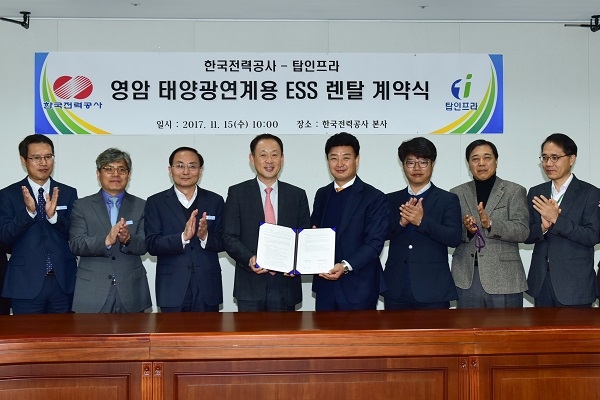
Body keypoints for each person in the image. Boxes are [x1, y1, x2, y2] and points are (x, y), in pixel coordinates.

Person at [223, 134, 310, 312]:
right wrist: (249, 258)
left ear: (282, 159)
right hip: (250, 287)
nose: (269, 160)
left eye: (274, 155)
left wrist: (297, 263)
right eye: (263, 155)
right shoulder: (237, 193)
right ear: (252, 158)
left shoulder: (297, 195)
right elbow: (229, 237)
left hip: (286, 286)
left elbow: (304, 236)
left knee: (286, 331)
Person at [310, 132, 389, 311]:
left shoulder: (373, 197)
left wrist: (345, 266)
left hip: (359, 288)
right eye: (333, 158)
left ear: (357, 160)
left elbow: (374, 243)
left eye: (346, 158)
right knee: (323, 330)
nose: (339, 164)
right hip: (325, 288)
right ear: (327, 161)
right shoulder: (322, 194)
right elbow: (313, 229)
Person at [0, 134, 78, 314]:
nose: (43, 163)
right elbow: (3, 237)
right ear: (23, 160)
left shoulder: (68, 192)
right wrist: (28, 214)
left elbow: (75, 234)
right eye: (36, 158)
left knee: (64, 332)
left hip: (63, 282)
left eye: (48, 157)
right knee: (26, 332)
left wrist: (54, 218)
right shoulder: (8, 195)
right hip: (25, 284)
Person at [69, 148, 151, 313]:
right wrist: (106, 240)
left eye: (121, 169)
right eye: (109, 169)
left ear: (128, 174)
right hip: (92, 290)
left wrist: (128, 239)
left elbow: (145, 245)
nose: (116, 174)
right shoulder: (82, 206)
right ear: (98, 174)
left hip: (131, 290)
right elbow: (76, 244)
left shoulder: (142, 205)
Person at [384, 137, 461, 310]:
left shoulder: (447, 199)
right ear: (403, 166)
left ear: (432, 164)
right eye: (411, 162)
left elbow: (454, 238)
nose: (417, 168)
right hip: (396, 288)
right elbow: (380, 235)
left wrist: (421, 222)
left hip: (433, 288)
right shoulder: (390, 199)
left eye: (423, 162)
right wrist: (401, 223)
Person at [450, 139, 529, 308]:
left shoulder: (514, 191)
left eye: (487, 157)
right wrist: (468, 231)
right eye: (475, 159)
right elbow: (451, 234)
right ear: (468, 164)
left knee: (507, 326)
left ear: (496, 161)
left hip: (504, 278)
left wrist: (491, 224)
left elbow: (522, 230)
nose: (481, 163)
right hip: (467, 277)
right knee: (466, 326)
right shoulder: (456, 193)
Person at [145, 147, 224, 312]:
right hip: (171, 288)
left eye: (192, 166)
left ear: (200, 171)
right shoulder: (155, 202)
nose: (186, 171)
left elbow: (224, 241)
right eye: (180, 166)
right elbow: (152, 244)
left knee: (208, 330)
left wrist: (205, 236)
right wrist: (182, 237)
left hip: (207, 287)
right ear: (170, 170)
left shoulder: (215, 200)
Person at [525, 133, 600, 307]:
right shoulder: (536, 192)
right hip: (542, 283)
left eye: (555, 157)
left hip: (575, 286)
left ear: (572, 159)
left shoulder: (590, 193)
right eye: (544, 158)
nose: (548, 163)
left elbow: (592, 236)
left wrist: (557, 220)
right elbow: (526, 234)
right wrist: (542, 227)